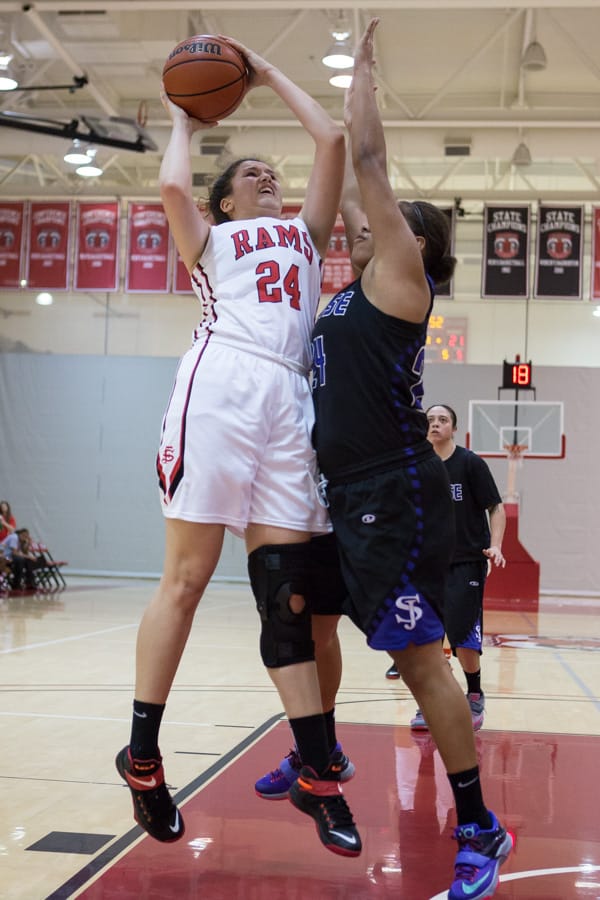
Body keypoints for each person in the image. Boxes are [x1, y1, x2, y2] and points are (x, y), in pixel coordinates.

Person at [115, 34, 361, 857]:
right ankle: (142, 757)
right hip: (221, 385)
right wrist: (186, 118)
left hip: (289, 398)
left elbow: (331, 140)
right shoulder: (211, 242)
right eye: (250, 173)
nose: (267, 177)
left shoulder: (305, 236)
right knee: (186, 579)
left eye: (270, 172)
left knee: (288, 594)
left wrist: (266, 72)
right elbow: (171, 184)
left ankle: (318, 773)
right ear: (223, 203)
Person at [297, 18, 512, 899]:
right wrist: (294, 94)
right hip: (344, 491)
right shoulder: (356, 285)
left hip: (394, 490)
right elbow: (345, 171)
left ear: (413, 243)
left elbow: (368, 164)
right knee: (304, 617)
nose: (368, 223)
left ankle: (480, 825)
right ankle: (318, 754)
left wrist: (363, 73)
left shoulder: (400, 281)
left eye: (389, 221)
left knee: (422, 658)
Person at [408, 404, 506, 732]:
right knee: (427, 637)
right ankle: (429, 702)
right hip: (428, 562)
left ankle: (474, 693)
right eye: (430, 420)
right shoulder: (417, 467)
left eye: (443, 420)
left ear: (453, 427)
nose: (436, 424)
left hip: (466, 560)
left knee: (462, 633)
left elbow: (496, 507)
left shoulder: (470, 463)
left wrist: (496, 545)